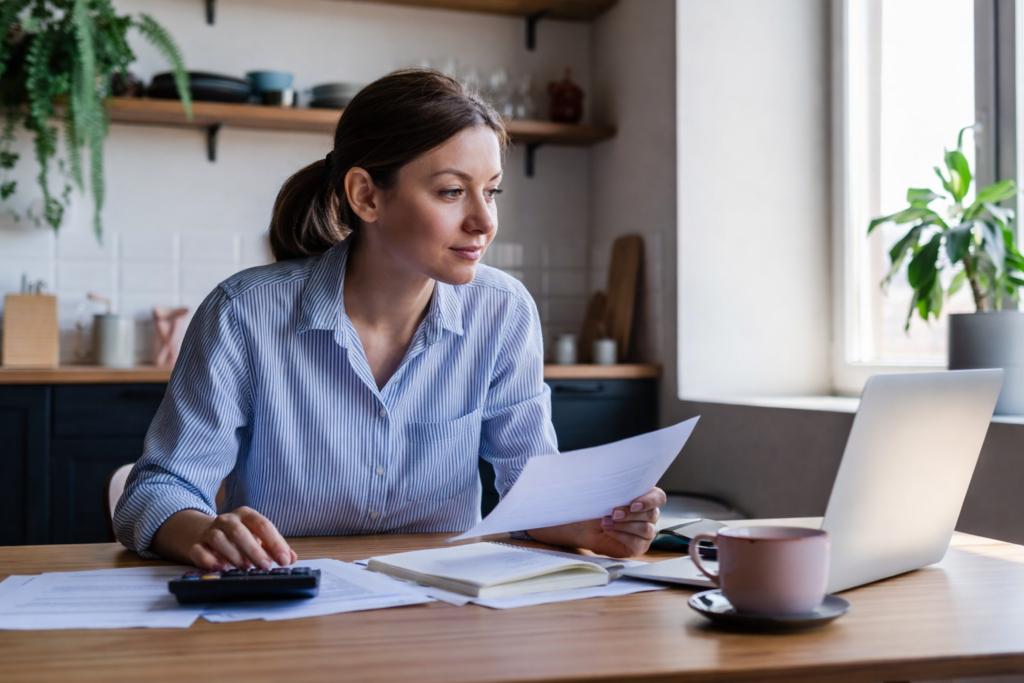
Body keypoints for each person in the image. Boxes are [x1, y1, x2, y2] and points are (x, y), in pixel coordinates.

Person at [113, 69, 665, 572]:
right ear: (365, 196)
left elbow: (532, 495)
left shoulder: (503, 312)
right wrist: (205, 532)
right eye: (452, 191)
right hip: (286, 607)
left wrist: (594, 527)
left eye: (491, 192)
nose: (484, 221)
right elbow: (155, 490)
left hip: (443, 610)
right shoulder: (244, 314)